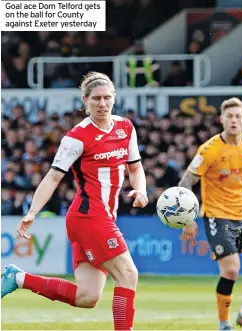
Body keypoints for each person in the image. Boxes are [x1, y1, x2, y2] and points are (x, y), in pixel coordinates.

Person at [1, 72, 148, 331]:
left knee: (87, 297)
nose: (102, 103)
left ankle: (19, 278)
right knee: (128, 274)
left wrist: (141, 190)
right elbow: (53, 177)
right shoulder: (77, 136)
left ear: (114, 98)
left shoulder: (126, 127)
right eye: (96, 99)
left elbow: (135, 168)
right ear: (85, 100)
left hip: (99, 217)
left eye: (106, 98)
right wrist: (32, 212)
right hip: (90, 215)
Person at [179, 97, 242, 331]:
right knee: (231, 269)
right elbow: (185, 184)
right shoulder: (209, 149)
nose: (234, 120)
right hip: (217, 216)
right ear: (222, 119)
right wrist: (188, 220)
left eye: (238, 116)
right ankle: (224, 324)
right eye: (229, 116)